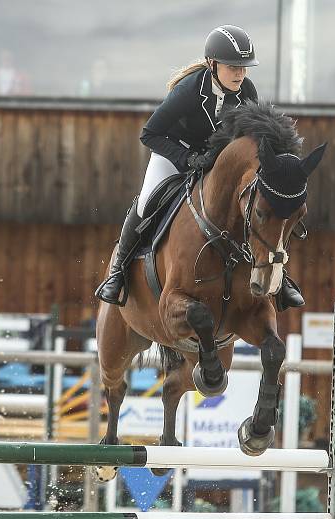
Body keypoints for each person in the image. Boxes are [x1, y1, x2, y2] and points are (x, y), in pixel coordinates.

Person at [95, 25, 305, 309]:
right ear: (212, 64)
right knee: (146, 202)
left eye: (244, 67)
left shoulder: (247, 91)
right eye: (233, 67)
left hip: (214, 162)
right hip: (174, 153)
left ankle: (281, 278)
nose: (240, 74)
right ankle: (118, 273)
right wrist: (186, 159)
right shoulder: (189, 91)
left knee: (255, 208)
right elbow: (150, 134)